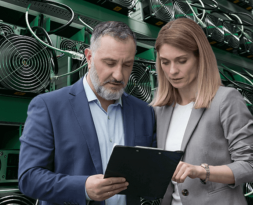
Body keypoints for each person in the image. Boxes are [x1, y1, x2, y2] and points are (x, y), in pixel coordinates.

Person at [18, 21, 157, 205]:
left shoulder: (144, 112)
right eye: (110, 63)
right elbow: (29, 178)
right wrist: (83, 188)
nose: (118, 75)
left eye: (127, 65)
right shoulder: (48, 106)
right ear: (89, 57)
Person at [151, 18, 253, 205]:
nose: (172, 71)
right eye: (165, 62)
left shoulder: (226, 100)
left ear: (200, 58)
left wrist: (202, 171)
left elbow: (249, 166)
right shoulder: (159, 108)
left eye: (182, 61)